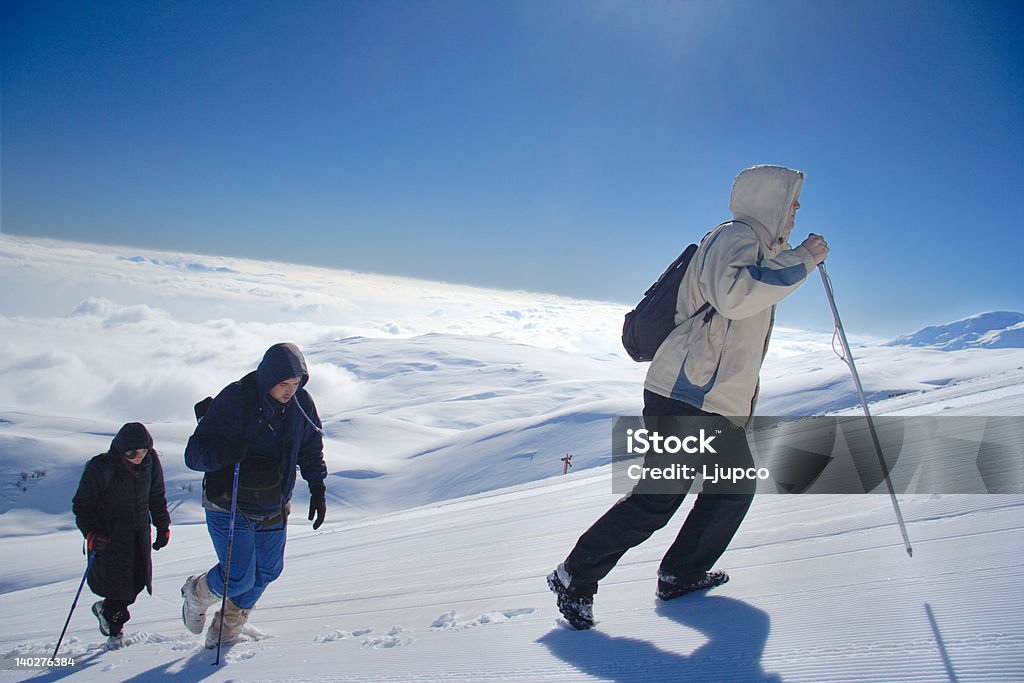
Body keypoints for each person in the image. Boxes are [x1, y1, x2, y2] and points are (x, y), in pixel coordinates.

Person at [548, 164, 830, 629]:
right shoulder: (735, 237)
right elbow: (736, 298)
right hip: (686, 396)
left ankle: (681, 573)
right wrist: (803, 258)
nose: (797, 210)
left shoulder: (758, 247)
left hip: (712, 402)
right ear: (771, 201)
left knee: (733, 489)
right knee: (656, 501)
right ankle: (573, 576)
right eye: (792, 201)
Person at [181, 342, 328, 648]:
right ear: (267, 377)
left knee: (268, 570)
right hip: (229, 502)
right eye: (283, 384)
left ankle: (228, 624)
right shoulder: (236, 398)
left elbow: (310, 448)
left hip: (274, 502)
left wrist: (317, 486)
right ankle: (195, 593)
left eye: (296, 383)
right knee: (238, 576)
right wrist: (222, 453)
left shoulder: (302, 404)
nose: (290, 391)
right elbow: (194, 454)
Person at [72, 422, 171, 648]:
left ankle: (106, 611)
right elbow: (82, 505)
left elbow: (156, 497)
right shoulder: (101, 467)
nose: (139, 457)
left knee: (135, 585)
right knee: (117, 589)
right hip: (108, 539)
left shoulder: (150, 463)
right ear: (121, 450)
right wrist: (91, 534)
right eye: (133, 453)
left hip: (138, 536)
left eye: (144, 451)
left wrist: (162, 526)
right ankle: (115, 637)